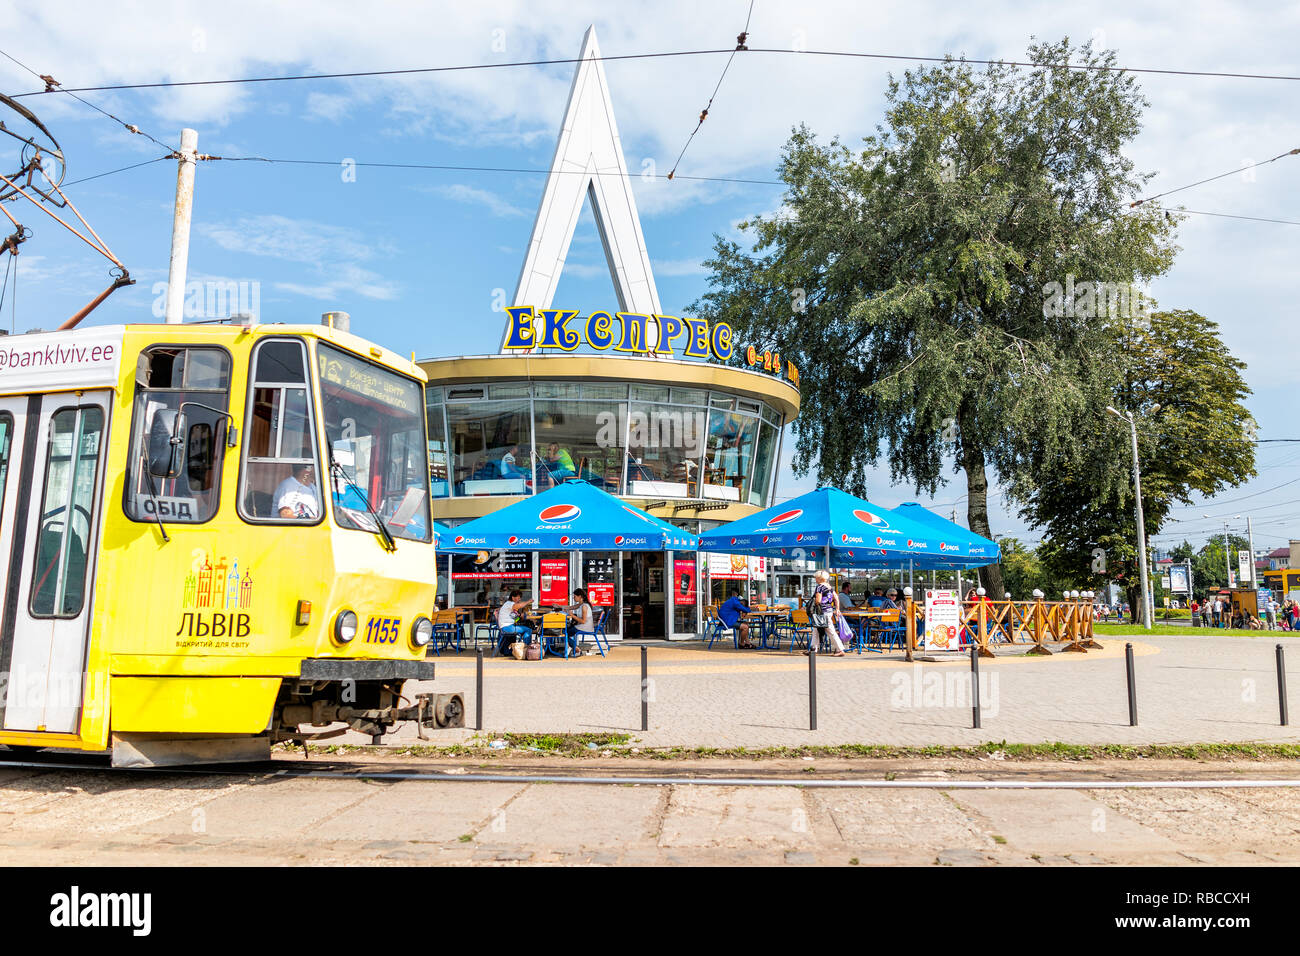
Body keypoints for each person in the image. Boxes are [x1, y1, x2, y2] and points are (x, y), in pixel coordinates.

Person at [806, 570, 846, 657]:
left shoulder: (819, 587)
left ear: (820, 578)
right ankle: (813, 649)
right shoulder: (829, 587)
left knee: (830, 631)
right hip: (829, 611)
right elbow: (836, 598)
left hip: (822, 612)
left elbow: (818, 601)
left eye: (816, 577)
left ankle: (840, 649)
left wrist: (813, 601)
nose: (815, 579)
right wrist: (837, 609)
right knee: (816, 630)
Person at [496, 588, 534, 656]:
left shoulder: (508, 605)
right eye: (518, 598)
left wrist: (520, 616)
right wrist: (528, 601)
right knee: (528, 630)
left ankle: (522, 648)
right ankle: (526, 650)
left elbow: (514, 618)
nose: (519, 600)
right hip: (507, 627)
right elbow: (519, 606)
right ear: (513, 597)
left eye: (520, 598)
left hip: (506, 626)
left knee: (525, 628)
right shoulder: (510, 604)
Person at [565, 588, 598, 656]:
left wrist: (572, 615)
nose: (574, 598)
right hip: (582, 626)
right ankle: (570, 647)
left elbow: (583, 621)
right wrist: (559, 606)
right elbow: (571, 607)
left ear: (580, 596)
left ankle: (577, 650)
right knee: (566, 632)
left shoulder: (584, 606)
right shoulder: (581, 604)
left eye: (575, 596)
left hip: (585, 627)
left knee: (564, 633)